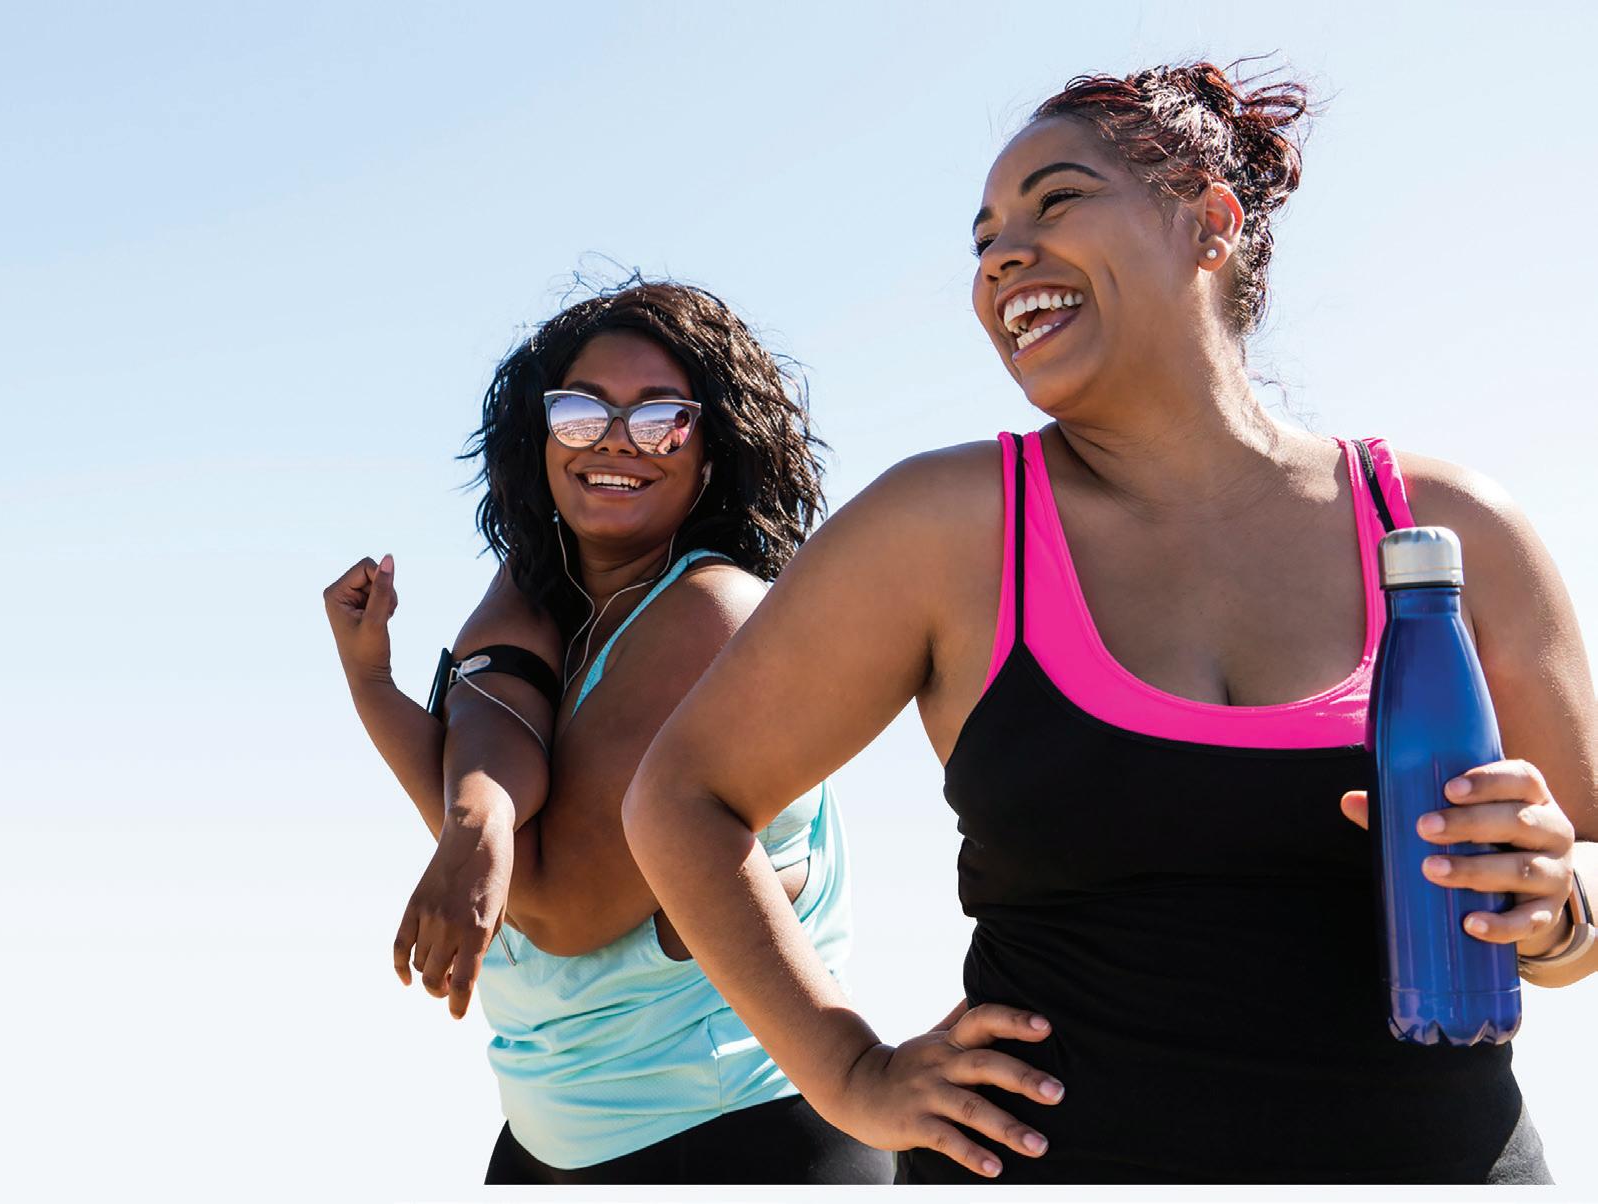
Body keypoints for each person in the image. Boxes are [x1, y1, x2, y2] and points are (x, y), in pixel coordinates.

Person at [621, 64, 1598, 1184]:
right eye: (984, 238)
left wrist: (1558, 917)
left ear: (1208, 223)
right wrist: (848, 1072)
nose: (1002, 256)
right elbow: (679, 797)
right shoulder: (941, 528)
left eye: (1056, 200)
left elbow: (1579, 869)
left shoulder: (1448, 527)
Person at [323, 280, 892, 1185]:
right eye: (581, 412)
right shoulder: (543, 594)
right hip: (548, 1140)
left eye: (661, 417)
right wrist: (406, 727)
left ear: (712, 449)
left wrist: (465, 811)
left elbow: (557, 907)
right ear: (542, 437)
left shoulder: (713, 615)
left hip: (735, 1136)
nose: (616, 439)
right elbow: (489, 747)